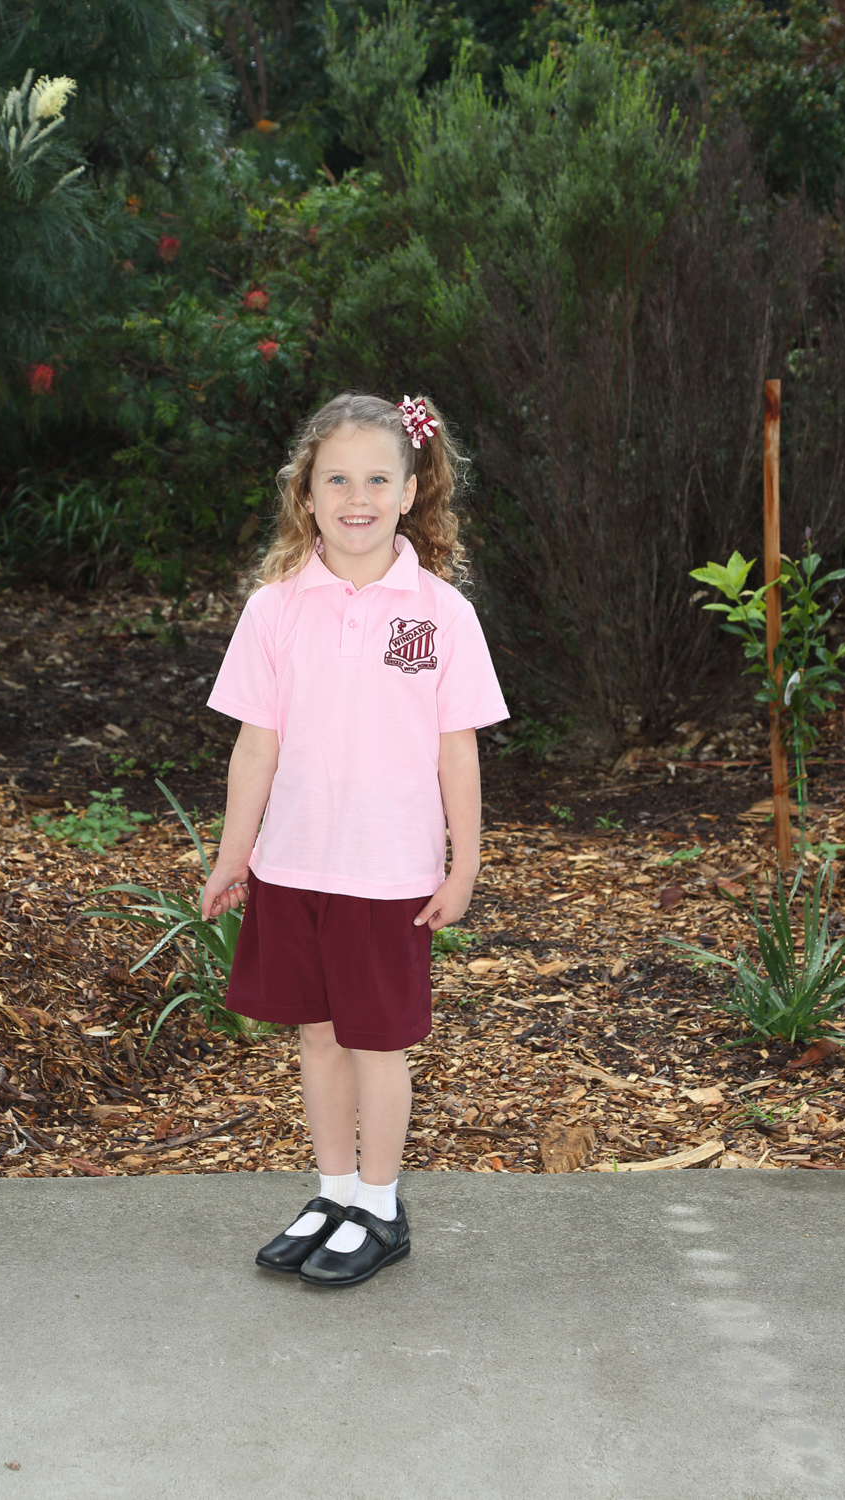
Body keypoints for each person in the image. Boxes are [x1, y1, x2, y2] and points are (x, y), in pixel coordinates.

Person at [200, 391, 508, 1288]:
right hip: (295, 865)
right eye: (337, 478)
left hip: (389, 874)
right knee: (319, 1038)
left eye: (378, 477)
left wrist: (465, 863)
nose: (357, 496)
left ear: (412, 490)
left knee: (379, 1042)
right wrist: (233, 856)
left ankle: (379, 1204)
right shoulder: (275, 610)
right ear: (307, 494)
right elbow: (255, 746)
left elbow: (459, 753)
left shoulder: (441, 614)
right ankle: (334, 1192)